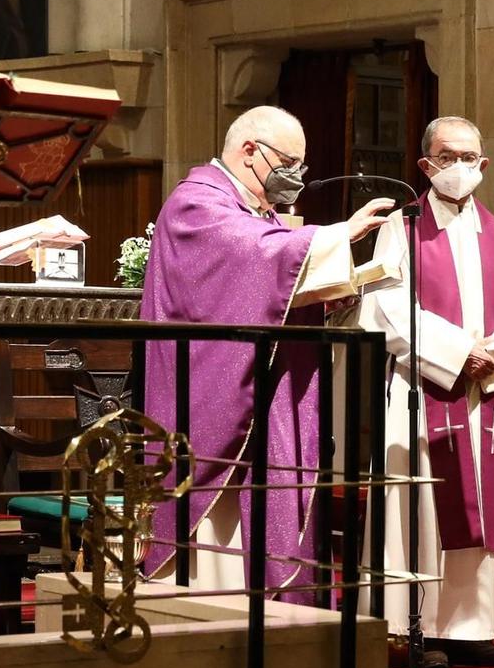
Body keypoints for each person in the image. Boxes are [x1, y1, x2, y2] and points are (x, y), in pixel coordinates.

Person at [139, 105, 392, 603]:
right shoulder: (197, 202)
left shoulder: (256, 212)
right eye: (290, 162)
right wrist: (343, 234)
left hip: (256, 391)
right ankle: (203, 608)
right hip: (207, 391)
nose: (297, 176)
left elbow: (271, 268)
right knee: (210, 543)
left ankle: (263, 606)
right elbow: (251, 255)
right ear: (250, 150)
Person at [360, 116, 494, 667]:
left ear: (484, 166)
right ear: (426, 164)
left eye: (470, 158)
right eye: (448, 156)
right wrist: (461, 354)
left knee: (483, 510)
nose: (460, 167)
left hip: (484, 396)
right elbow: (388, 306)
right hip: (423, 390)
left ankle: (472, 628)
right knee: (421, 508)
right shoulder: (401, 229)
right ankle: (413, 630)